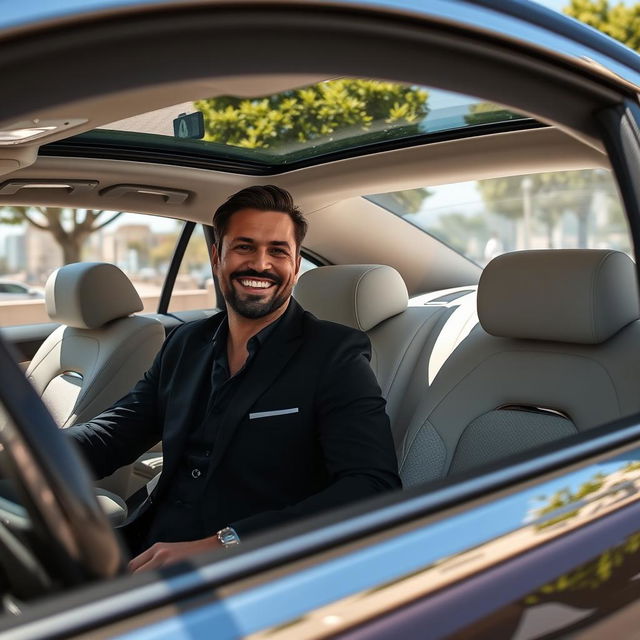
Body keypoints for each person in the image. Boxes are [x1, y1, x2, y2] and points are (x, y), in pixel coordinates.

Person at [67, 185, 401, 573]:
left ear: (295, 267)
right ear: (217, 257)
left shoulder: (333, 354)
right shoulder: (185, 343)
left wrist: (227, 544)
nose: (260, 264)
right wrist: (24, 456)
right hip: (143, 548)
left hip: (250, 567)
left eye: (278, 251)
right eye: (244, 247)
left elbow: (372, 485)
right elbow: (115, 433)